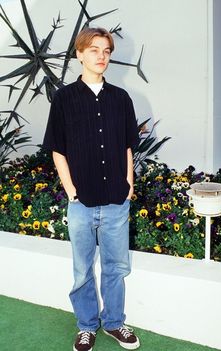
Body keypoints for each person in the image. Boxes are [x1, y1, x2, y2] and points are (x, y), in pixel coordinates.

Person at [43, 27, 140, 351]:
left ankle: (114, 323)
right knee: (83, 271)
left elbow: (128, 146)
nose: (101, 56)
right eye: (94, 49)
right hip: (81, 202)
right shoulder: (64, 99)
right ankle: (87, 326)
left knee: (116, 268)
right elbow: (58, 149)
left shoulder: (120, 99)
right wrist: (70, 189)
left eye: (107, 51)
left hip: (116, 200)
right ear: (80, 54)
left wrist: (128, 186)